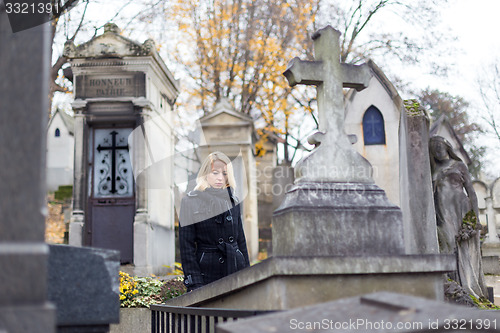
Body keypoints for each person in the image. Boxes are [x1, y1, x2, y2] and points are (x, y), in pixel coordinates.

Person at [179, 152, 250, 291]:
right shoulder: (190, 201)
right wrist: (195, 281)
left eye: (224, 174)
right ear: (205, 174)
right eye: (215, 173)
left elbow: (241, 240)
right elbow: (186, 247)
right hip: (207, 272)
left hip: (235, 268)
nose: (220, 178)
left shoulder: (233, 201)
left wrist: (248, 275)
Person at [429, 136, 487, 299]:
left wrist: (474, 217)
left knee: (464, 246)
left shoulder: (459, 165)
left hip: (461, 209)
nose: (438, 151)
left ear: (447, 147)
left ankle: (467, 285)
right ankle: (455, 286)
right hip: (443, 212)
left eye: (439, 146)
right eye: (434, 149)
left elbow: (471, 192)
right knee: (449, 244)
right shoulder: (432, 170)